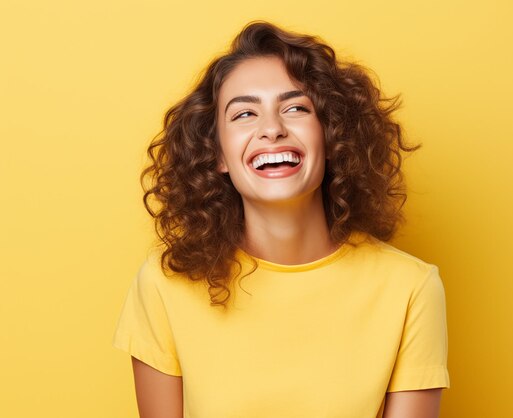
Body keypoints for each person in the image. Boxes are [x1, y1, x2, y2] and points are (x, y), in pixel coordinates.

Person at [112, 20, 450, 418]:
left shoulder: (410, 288)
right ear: (217, 154)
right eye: (244, 115)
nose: (272, 129)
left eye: (295, 108)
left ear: (331, 136)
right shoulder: (164, 284)